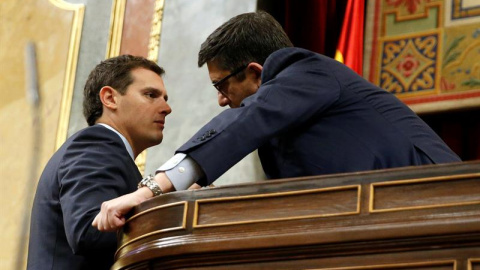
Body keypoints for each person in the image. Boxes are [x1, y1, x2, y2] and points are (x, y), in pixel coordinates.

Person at [92, 11, 460, 232]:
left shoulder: (306, 71)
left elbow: (243, 124)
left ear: (255, 72)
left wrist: (150, 190)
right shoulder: (288, 114)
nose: (221, 100)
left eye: (221, 85)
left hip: (443, 207)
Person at [27, 55, 172, 270]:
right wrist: (173, 213)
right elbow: (89, 230)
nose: (166, 108)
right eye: (151, 95)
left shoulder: (107, 150)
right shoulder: (96, 144)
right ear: (110, 98)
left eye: (165, 98)